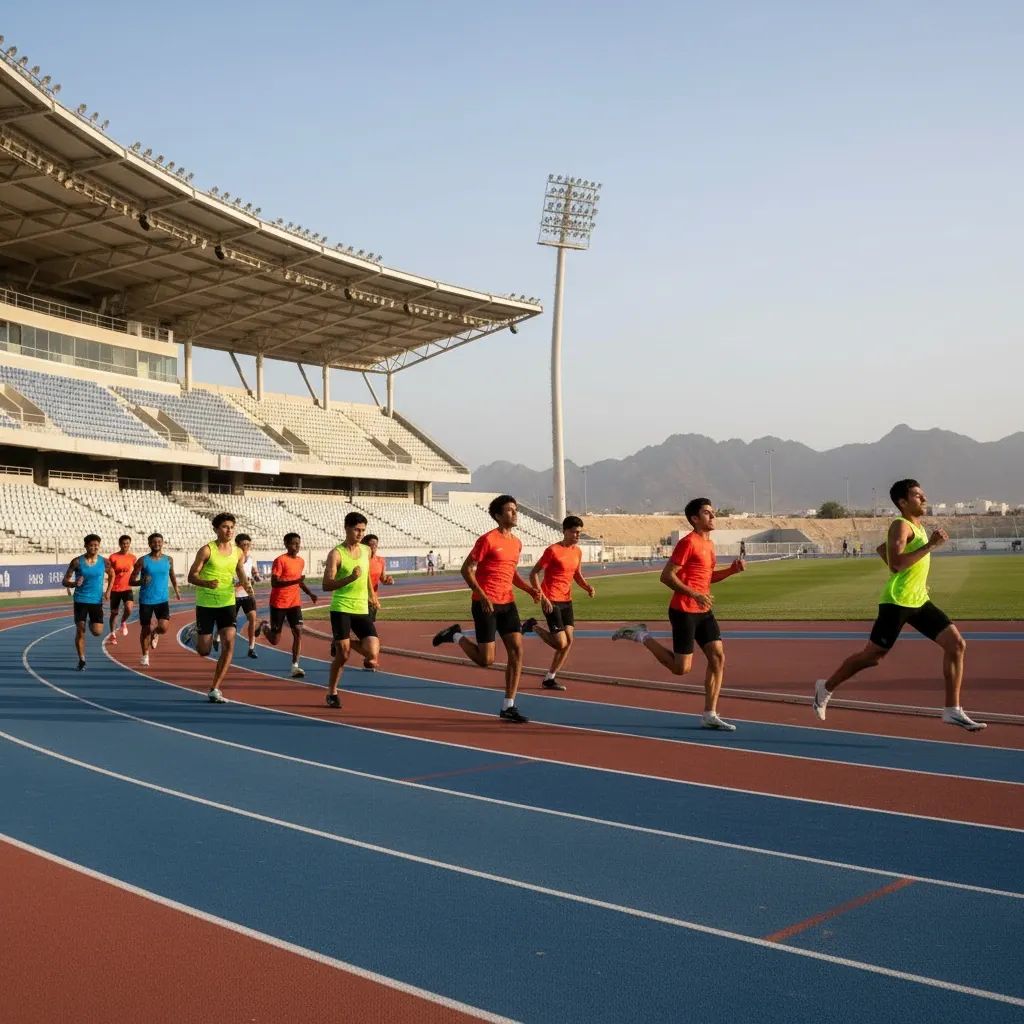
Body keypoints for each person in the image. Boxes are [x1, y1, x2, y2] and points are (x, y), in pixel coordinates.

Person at [813, 479, 985, 731]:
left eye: (923, 494)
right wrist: (931, 546)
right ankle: (825, 688)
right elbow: (896, 564)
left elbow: (885, 552)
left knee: (956, 644)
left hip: (919, 600)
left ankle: (952, 710)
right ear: (902, 502)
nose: (924, 499)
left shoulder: (918, 526)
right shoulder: (900, 526)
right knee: (872, 657)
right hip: (897, 603)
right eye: (917, 496)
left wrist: (917, 581)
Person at [612, 498, 744, 730]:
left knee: (718, 657)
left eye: (713, 513)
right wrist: (694, 594)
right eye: (707, 513)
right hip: (683, 610)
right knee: (680, 669)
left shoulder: (710, 544)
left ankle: (709, 714)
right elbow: (666, 576)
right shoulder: (688, 543)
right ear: (694, 519)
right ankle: (640, 635)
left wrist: (731, 571)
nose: (713, 517)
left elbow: (707, 578)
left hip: (704, 610)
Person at [432, 494, 541, 723]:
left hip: (507, 603)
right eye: (510, 510)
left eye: (515, 509)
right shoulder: (487, 540)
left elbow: (510, 574)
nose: (514, 513)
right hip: (485, 604)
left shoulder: (516, 542)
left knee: (517, 651)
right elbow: (466, 569)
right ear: (498, 516)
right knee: (486, 660)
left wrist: (529, 590)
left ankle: (508, 706)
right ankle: (456, 635)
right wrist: (482, 595)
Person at [181, 513, 253, 704]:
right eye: (224, 527)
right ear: (215, 529)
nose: (229, 530)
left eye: (231, 527)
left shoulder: (238, 551)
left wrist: (245, 583)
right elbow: (191, 577)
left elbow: (239, 569)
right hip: (206, 604)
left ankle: (215, 688)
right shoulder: (207, 550)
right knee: (204, 651)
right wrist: (205, 583)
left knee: (229, 643)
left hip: (228, 603)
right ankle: (194, 634)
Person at [522, 515, 595, 691]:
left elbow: (576, 574)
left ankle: (549, 678)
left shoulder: (577, 551)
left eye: (579, 533)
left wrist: (587, 587)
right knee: (560, 643)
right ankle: (533, 627)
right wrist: (543, 597)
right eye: (574, 532)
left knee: (568, 642)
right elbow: (533, 574)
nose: (577, 536)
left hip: (566, 601)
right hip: (551, 600)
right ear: (565, 531)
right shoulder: (553, 550)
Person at [322, 512, 380, 708]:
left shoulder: (366, 550)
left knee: (372, 654)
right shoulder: (336, 553)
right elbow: (326, 585)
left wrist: (372, 595)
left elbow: (365, 578)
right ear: (346, 528)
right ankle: (332, 692)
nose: (360, 534)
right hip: (341, 607)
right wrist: (349, 579)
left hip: (361, 607)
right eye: (357, 530)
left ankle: (340, 641)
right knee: (344, 655)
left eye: (363, 530)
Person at [257, 532, 318, 678]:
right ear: (286, 544)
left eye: (298, 543)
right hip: (279, 603)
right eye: (293, 543)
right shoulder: (280, 560)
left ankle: (295, 666)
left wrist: (310, 593)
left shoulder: (301, 561)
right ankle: (264, 626)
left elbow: (299, 581)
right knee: (275, 640)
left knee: (298, 631)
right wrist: (295, 582)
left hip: (294, 603)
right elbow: (274, 582)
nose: (296, 546)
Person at [62, 534, 114, 671]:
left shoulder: (105, 562)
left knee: (97, 632)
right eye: (91, 545)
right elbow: (64, 581)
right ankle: (82, 659)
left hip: (96, 601)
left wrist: (108, 591)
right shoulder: (77, 562)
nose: (94, 547)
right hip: (80, 599)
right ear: (85, 546)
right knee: (80, 630)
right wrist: (74, 583)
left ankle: (90, 621)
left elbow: (112, 574)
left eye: (96, 545)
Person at [130, 532, 180, 667]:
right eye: (154, 542)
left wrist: (176, 588)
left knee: (163, 628)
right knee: (145, 629)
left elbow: (172, 575)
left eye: (159, 541)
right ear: (149, 544)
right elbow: (131, 581)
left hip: (162, 599)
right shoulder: (142, 560)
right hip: (146, 600)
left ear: (162, 543)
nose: (157, 544)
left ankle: (156, 632)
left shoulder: (169, 559)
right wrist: (141, 581)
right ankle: (145, 655)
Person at [363, 534, 394, 670]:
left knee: (366, 631)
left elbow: (382, 578)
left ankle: (368, 658)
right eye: (370, 544)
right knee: (367, 631)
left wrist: (388, 580)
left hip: (373, 600)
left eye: (375, 544)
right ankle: (370, 658)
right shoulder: (361, 560)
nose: (373, 547)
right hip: (360, 599)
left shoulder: (380, 560)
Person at [231, 533, 261, 658]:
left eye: (248, 544)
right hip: (233, 596)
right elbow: (230, 580)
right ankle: (220, 638)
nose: (246, 547)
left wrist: (256, 577)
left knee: (252, 620)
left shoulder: (250, 557)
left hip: (248, 594)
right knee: (230, 624)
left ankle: (251, 648)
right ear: (237, 545)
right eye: (243, 545)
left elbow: (253, 569)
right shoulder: (232, 559)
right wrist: (240, 582)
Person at [107, 535, 137, 645]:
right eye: (123, 543)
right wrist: (108, 590)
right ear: (120, 544)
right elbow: (109, 573)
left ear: (130, 544)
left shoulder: (133, 557)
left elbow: (136, 570)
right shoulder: (113, 557)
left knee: (129, 608)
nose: (125, 545)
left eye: (127, 543)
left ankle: (123, 621)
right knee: (114, 613)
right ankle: (112, 634)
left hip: (127, 587)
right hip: (115, 588)